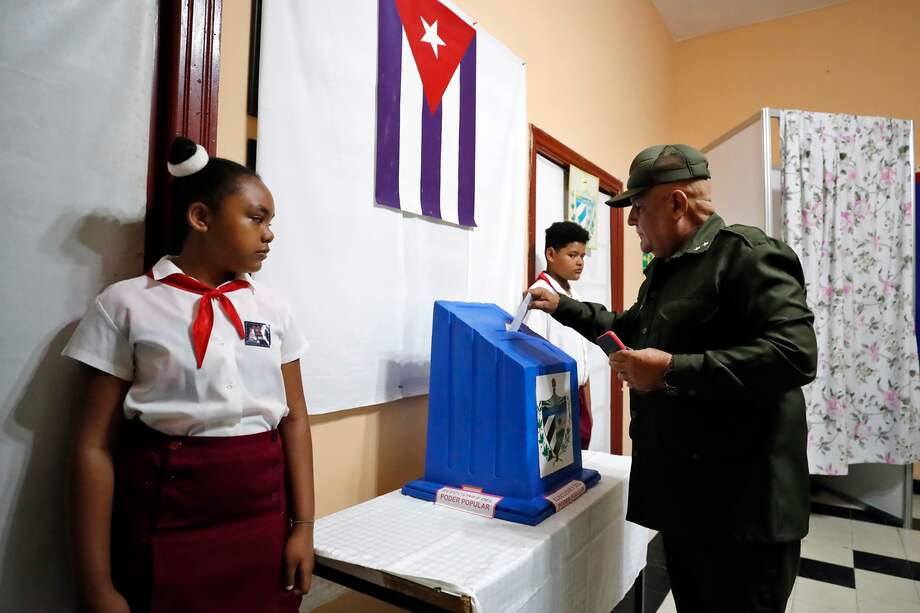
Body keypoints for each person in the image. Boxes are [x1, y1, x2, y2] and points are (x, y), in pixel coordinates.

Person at [529, 144, 817, 613]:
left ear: (677, 204)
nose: (631, 221)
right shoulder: (667, 270)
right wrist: (563, 305)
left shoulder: (748, 256)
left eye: (639, 208)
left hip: (745, 511)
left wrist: (670, 370)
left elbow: (795, 355)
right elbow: (628, 327)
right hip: (691, 503)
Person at [65, 137, 314, 613]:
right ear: (200, 217)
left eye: (271, 223)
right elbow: (93, 446)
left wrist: (303, 527)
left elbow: (296, 420)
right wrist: (96, 584)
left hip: (263, 521)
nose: (269, 235)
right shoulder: (125, 304)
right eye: (256, 218)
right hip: (167, 519)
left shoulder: (273, 309)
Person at [525, 221, 594, 449]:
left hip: (578, 396)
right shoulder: (540, 298)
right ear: (551, 254)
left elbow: (583, 357)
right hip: (555, 400)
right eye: (572, 255)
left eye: (582, 256)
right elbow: (533, 357)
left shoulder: (575, 296)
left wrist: (587, 406)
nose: (580, 262)